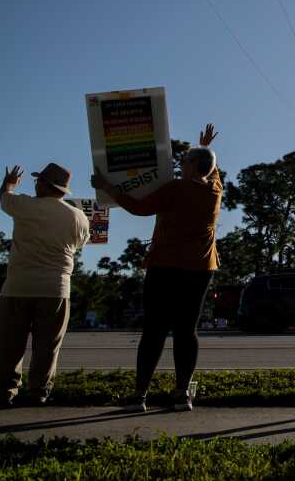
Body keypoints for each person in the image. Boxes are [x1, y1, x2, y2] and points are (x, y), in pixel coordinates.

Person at [92, 124, 221, 412]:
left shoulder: (175, 188)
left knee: (155, 330)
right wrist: (206, 148)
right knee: (187, 330)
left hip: (165, 266)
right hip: (200, 269)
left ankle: (139, 394)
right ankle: (181, 393)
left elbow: (138, 207)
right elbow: (211, 169)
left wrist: (106, 187)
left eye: (185, 159)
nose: (181, 163)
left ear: (190, 166)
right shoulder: (215, 190)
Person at [0, 162, 90, 407]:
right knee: (47, 346)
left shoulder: (25, 205)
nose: (36, 184)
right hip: (56, 288)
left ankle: (5, 390)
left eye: (38, 181)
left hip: (18, 286)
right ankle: (39, 391)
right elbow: (81, 243)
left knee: (9, 344)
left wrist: (10, 183)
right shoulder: (77, 215)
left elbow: (4, 197)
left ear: (46, 185)